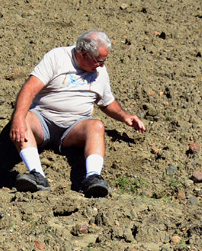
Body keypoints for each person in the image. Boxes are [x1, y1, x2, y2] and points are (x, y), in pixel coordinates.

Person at [9, 30, 146, 197]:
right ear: (84, 54)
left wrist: (125, 116)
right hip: (42, 121)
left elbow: (107, 102)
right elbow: (29, 89)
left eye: (104, 61)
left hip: (73, 129)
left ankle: (92, 177)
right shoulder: (57, 57)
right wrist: (18, 118)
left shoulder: (99, 71)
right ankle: (37, 175)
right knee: (24, 117)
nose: (102, 65)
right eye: (99, 61)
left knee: (97, 126)